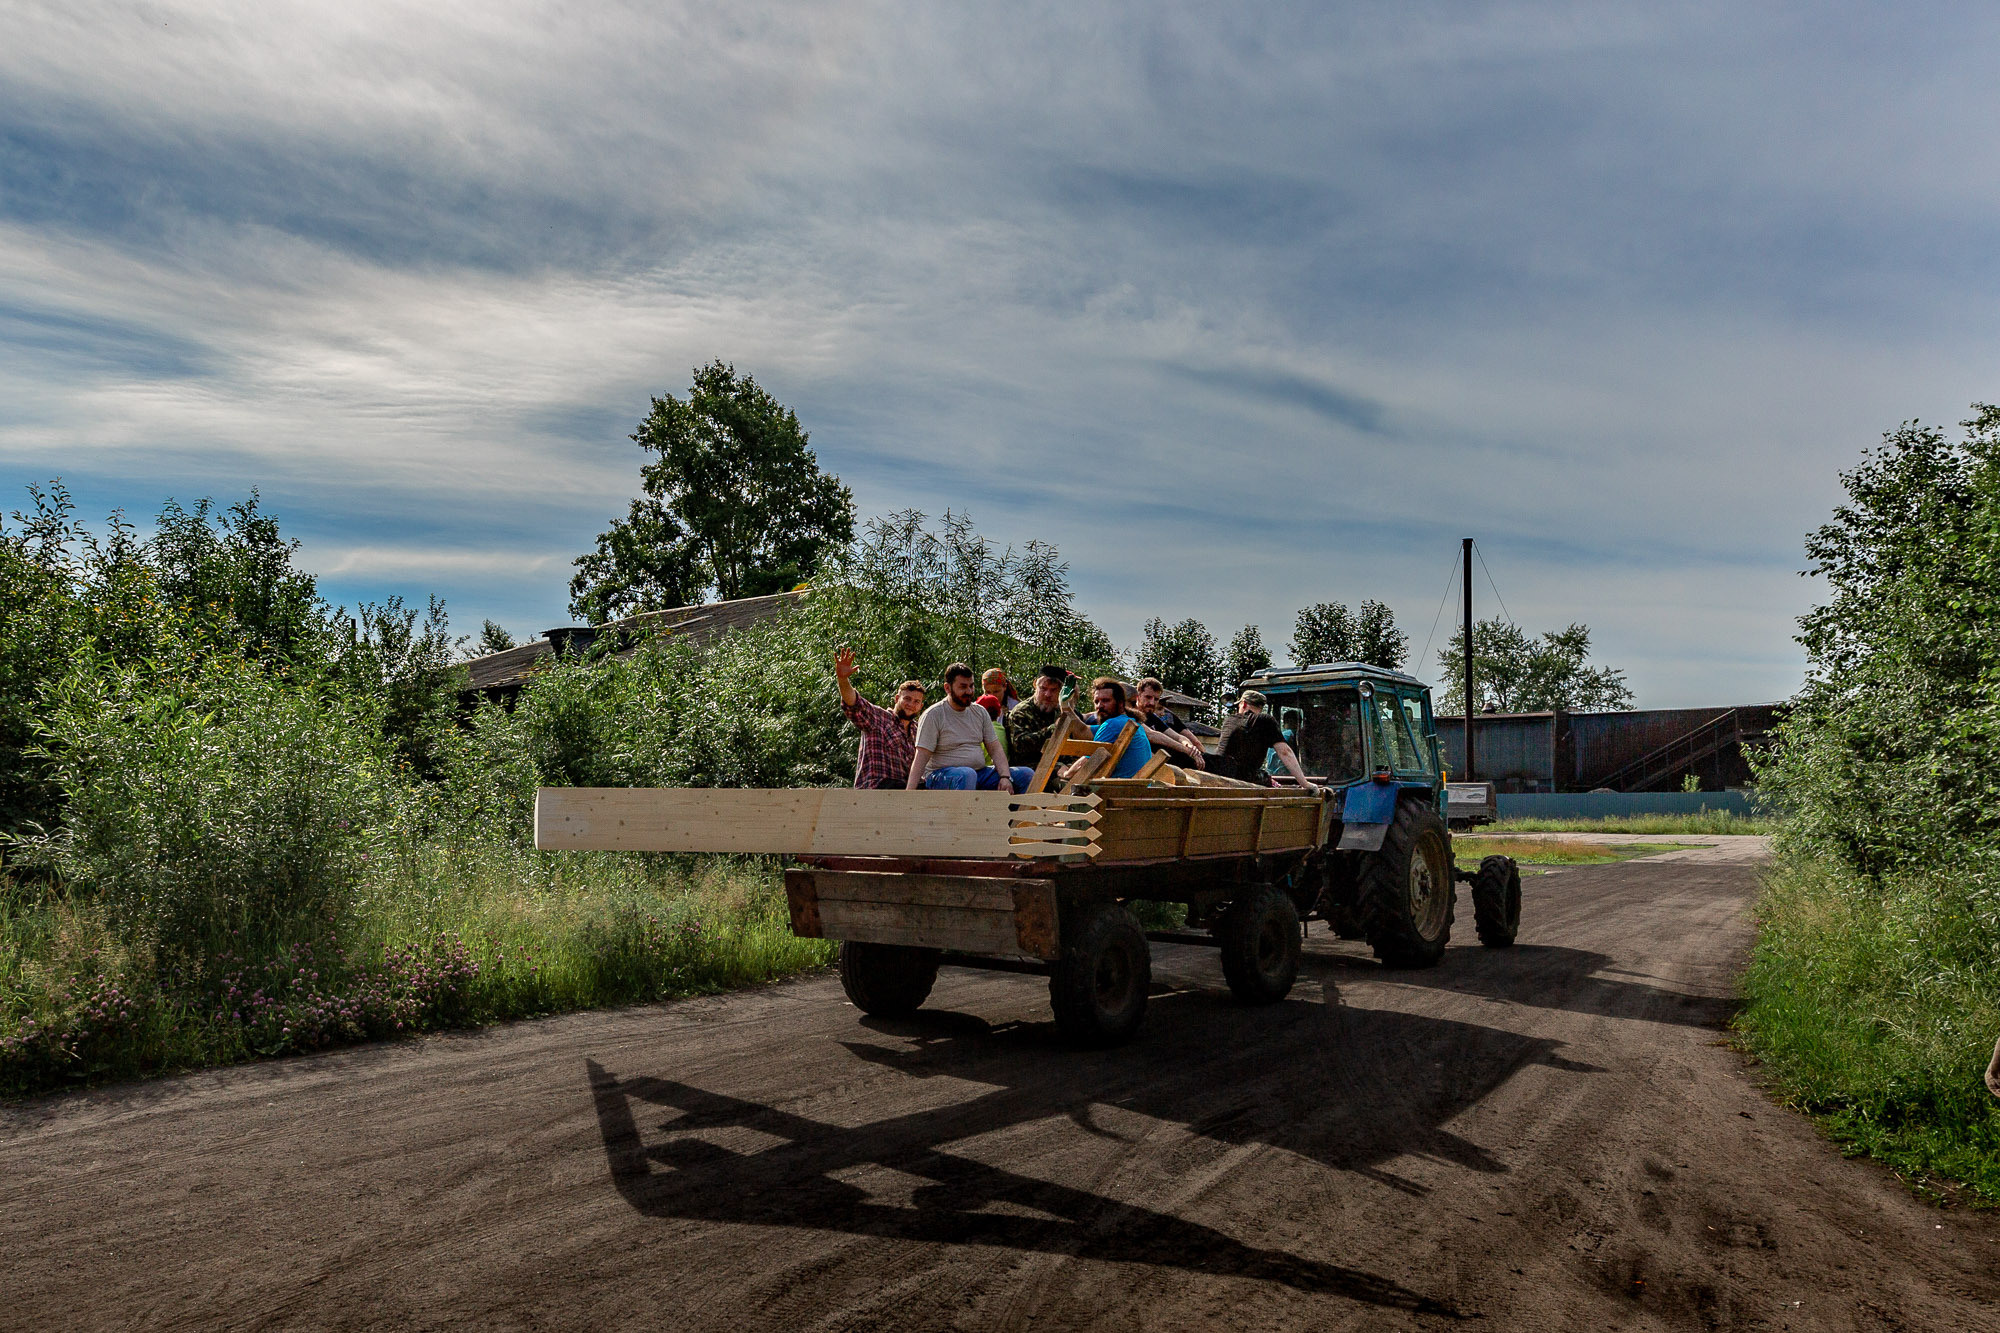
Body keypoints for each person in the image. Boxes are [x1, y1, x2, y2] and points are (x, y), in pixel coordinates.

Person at [909, 662, 1033, 792]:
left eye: (971, 686)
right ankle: (966, 813)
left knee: (1025, 774)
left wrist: (1005, 776)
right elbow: (921, 756)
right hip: (941, 776)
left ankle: (1016, 812)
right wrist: (910, 793)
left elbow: (995, 748)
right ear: (947, 688)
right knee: (966, 775)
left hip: (978, 773)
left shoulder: (979, 712)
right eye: (963, 687)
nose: (969, 691)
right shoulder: (934, 715)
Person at [834, 648, 924, 790]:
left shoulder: (919, 731)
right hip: (876, 790)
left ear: (921, 706)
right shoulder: (878, 718)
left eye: (916, 702)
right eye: (907, 699)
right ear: (896, 699)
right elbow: (853, 703)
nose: (911, 704)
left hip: (905, 796)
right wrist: (843, 679)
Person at [1213, 689, 1313, 786]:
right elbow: (1285, 752)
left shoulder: (1228, 720)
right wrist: (1305, 783)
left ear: (1243, 704)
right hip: (1241, 780)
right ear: (1261, 707)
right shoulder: (1264, 720)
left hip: (1219, 775)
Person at [1062, 677, 1153, 781]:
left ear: (1120, 703)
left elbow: (1087, 763)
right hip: (1132, 789)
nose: (1099, 706)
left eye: (1105, 700)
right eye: (1096, 701)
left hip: (1116, 792)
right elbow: (1083, 732)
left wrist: (1065, 773)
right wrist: (1065, 707)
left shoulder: (1112, 725)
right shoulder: (1126, 723)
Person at [1133, 677, 1206, 769]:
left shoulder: (1152, 717)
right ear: (1138, 696)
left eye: (1156, 699)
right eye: (1148, 697)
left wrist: (1191, 747)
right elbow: (1151, 735)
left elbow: (1179, 737)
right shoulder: (1130, 714)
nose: (1151, 702)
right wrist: (1186, 750)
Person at [1007, 665, 1070, 771]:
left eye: (1053, 690)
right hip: (1028, 769)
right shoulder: (1021, 712)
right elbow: (1020, 745)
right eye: (1043, 688)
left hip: (1057, 765)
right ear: (1035, 685)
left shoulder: (1061, 712)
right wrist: (1053, 729)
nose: (1047, 694)